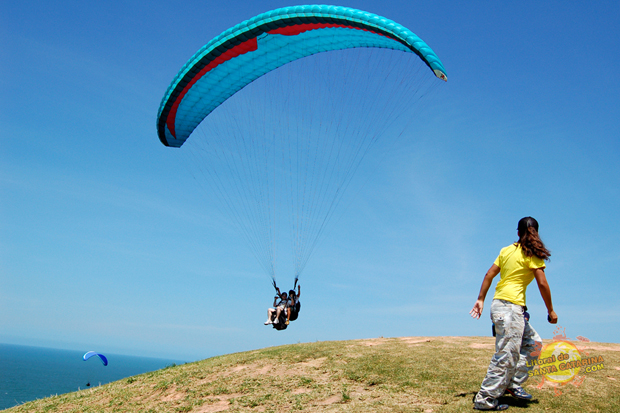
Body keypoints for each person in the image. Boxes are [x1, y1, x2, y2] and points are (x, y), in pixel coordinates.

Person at [470, 217, 558, 411]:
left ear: (517, 232)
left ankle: (511, 382)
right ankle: (485, 399)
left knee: (533, 344)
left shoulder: (506, 250)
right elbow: (542, 283)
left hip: (504, 307)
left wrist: (481, 299)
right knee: (505, 355)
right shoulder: (531, 253)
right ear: (536, 232)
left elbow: (489, 275)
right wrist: (550, 310)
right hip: (509, 309)